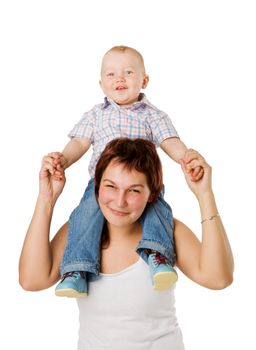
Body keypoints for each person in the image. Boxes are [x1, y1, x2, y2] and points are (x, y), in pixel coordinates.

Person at [19, 138, 234, 350]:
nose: (120, 201)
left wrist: (204, 195)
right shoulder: (79, 234)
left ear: (152, 194)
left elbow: (218, 278)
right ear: (96, 186)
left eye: (134, 190)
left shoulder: (166, 232)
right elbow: (31, 280)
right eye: (111, 186)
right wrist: (46, 200)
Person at [47, 45, 204, 297]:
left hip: (143, 183)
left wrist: (185, 157)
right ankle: (77, 271)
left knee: (158, 212)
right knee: (84, 217)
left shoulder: (153, 116)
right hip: (103, 184)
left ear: (144, 80)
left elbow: (169, 141)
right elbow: (79, 142)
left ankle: (158, 256)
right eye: (111, 74)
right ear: (101, 84)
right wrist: (64, 159)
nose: (119, 78)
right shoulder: (96, 115)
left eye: (128, 72)